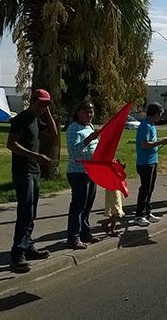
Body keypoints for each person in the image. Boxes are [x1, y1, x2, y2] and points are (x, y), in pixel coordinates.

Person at [7, 89, 58, 273]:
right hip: (23, 171)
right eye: (39, 104)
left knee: (32, 211)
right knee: (25, 210)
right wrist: (35, 156)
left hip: (35, 171)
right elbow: (11, 144)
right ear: (32, 101)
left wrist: (48, 113)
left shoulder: (37, 119)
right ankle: (17, 253)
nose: (41, 108)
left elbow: (53, 133)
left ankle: (28, 245)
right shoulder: (21, 119)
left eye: (45, 105)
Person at [65, 101, 101, 249]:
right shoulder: (73, 128)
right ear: (78, 112)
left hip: (91, 171)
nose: (89, 115)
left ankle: (85, 232)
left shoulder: (89, 127)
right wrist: (89, 139)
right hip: (78, 172)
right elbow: (73, 151)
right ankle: (73, 237)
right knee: (78, 206)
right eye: (86, 112)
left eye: (91, 112)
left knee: (87, 205)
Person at [135, 102, 167, 227]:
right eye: (160, 113)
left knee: (150, 188)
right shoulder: (145, 126)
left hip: (153, 160)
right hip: (145, 162)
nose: (160, 116)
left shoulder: (152, 125)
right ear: (154, 113)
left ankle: (147, 212)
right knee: (145, 189)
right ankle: (139, 215)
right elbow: (144, 144)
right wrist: (159, 143)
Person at [101, 160, 126, 237]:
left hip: (115, 193)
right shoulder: (113, 175)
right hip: (113, 194)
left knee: (114, 214)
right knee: (116, 214)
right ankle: (106, 224)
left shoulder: (114, 174)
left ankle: (111, 229)